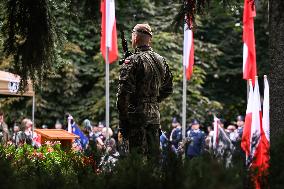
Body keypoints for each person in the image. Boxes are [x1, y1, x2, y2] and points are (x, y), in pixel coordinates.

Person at [117, 23, 173, 157]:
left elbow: (123, 94)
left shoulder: (132, 60)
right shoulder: (161, 60)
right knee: (153, 160)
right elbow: (168, 88)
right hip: (154, 117)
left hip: (137, 118)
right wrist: (152, 100)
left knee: (137, 161)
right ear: (150, 39)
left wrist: (124, 122)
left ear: (135, 38)